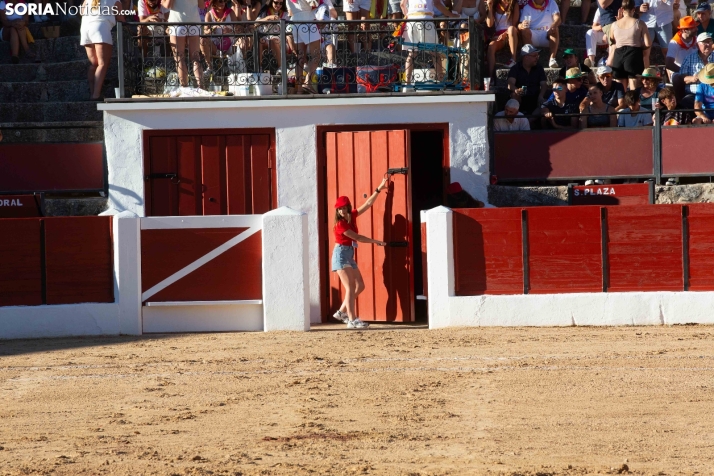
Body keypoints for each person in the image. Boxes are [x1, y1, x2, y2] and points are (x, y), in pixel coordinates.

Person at [332, 179, 389, 329]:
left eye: (344, 208)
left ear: (348, 208)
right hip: (341, 254)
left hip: (348, 254)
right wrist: (375, 241)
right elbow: (357, 238)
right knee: (350, 287)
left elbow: (368, 204)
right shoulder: (340, 224)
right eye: (339, 210)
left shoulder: (352, 216)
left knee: (360, 286)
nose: (342, 212)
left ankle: (341, 312)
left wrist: (379, 188)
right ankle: (352, 320)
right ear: (337, 211)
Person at [401, 0, 458, 83]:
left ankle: (407, 83)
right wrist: (451, 15)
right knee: (435, 54)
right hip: (426, 19)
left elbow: (402, 4)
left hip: (411, 21)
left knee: (412, 54)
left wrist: (407, 15)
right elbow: (437, 3)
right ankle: (441, 82)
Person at [80, 0, 124, 100]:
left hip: (85, 29)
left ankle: (92, 93)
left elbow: (81, 12)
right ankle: (96, 95)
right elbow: (120, 18)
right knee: (102, 64)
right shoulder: (115, 1)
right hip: (101, 28)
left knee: (94, 64)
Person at [608, 0, 651, 91]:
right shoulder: (640, 23)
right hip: (634, 54)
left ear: (622, 9)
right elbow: (648, 44)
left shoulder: (614, 24)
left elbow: (612, 40)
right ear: (633, 9)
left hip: (619, 55)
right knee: (634, 90)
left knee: (620, 91)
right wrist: (641, 46)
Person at [163, 0, 204, 88]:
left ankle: (184, 87)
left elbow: (167, 5)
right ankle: (200, 86)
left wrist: (162, 2)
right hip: (194, 22)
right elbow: (202, 5)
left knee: (179, 58)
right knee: (195, 58)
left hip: (177, 22)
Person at [287, 0, 324, 93]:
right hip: (307, 21)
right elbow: (313, 3)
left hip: (295, 22)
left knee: (300, 58)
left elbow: (290, 11)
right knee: (316, 55)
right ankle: (307, 81)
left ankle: (299, 89)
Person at [517, 0, 561, 68]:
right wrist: (522, 25)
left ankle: (552, 59)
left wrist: (553, 26)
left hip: (547, 33)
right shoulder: (527, 7)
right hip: (533, 34)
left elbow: (558, 18)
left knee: (555, 29)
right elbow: (519, 25)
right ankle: (532, 59)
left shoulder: (551, 2)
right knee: (525, 31)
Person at [675, 31, 714, 105]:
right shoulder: (689, 58)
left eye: (710, 41)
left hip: (712, 93)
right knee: (686, 102)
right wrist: (693, 78)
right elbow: (682, 78)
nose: (708, 44)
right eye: (705, 42)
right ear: (697, 45)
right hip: (695, 93)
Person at [507, 44, 548, 113]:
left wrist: (541, 96)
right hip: (521, 98)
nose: (537, 58)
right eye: (534, 56)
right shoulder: (515, 68)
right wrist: (516, 90)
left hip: (535, 97)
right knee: (514, 96)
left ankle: (528, 122)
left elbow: (544, 84)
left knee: (545, 104)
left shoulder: (539, 68)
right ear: (526, 57)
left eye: (537, 55)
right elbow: (510, 84)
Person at [485, 0, 520, 74]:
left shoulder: (514, 4)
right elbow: (489, 24)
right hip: (498, 36)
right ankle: (491, 76)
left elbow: (515, 25)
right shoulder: (495, 4)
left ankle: (513, 59)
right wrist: (490, 8)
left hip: (511, 34)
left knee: (511, 29)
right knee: (491, 46)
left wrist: (505, 34)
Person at [637, 0, 673, 67]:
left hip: (664, 21)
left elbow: (670, 2)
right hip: (647, 23)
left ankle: (671, 76)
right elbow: (636, 6)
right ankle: (645, 75)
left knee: (667, 52)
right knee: (644, 51)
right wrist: (640, 8)